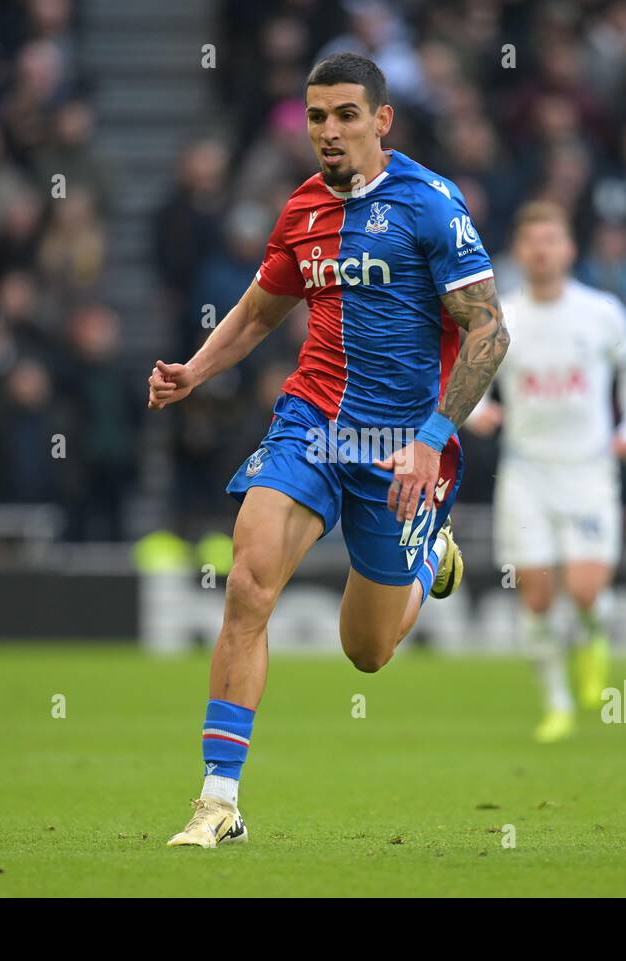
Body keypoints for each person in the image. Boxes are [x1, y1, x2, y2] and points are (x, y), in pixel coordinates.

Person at [148, 53, 509, 847]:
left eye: (347, 114)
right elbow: (258, 311)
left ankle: (427, 562)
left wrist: (432, 437)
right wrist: (194, 372)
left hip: (403, 445)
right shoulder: (303, 208)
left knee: (367, 652)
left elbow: (489, 329)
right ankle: (218, 802)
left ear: (382, 121)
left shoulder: (432, 205)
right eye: (317, 117)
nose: (329, 132)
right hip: (311, 422)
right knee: (248, 583)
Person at [467, 201, 626, 742]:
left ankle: (594, 634)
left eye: (551, 240)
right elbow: (469, 375)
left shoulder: (601, 312)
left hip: (589, 470)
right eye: (532, 242)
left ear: (569, 249)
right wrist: (479, 414)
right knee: (537, 595)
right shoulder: (504, 317)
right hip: (527, 472)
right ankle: (556, 704)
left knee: (587, 590)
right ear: (519, 252)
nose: (541, 250)